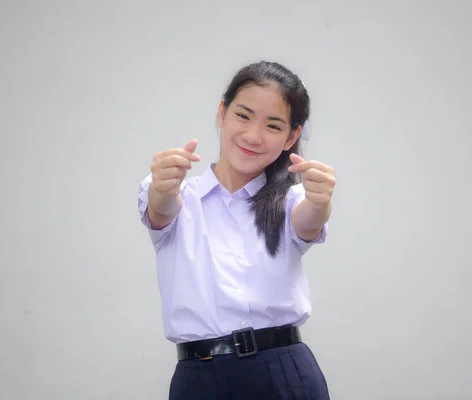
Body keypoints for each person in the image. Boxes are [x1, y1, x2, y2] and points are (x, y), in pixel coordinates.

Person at [137, 61, 335, 399]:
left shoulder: (291, 199)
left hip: (284, 372)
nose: (253, 136)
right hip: (200, 378)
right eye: (243, 116)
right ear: (222, 112)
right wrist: (162, 188)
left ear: (291, 137)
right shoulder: (180, 195)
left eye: (273, 126)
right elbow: (160, 209)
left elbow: (308, 220)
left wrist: (320, 202)